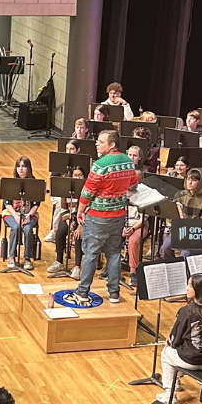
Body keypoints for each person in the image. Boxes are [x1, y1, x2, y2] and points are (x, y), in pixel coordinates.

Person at [65, 129, 139, 306]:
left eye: (101, 141)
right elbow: (133, 186)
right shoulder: (129, 162)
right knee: (113, 253)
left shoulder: (100, 165)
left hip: (98, 216)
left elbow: (87, 191)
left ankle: (82, 292)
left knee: (91, 254)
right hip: (119, 215)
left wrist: (80, 211)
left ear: (112, 144)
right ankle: (114, 293)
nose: (97, 143)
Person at [157, 274, 202, 404]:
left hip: (190, 360)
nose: (186, 288)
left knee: (166, 353)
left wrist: (169, 343)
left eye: (190, 286)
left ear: (199, 290)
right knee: (176, 353)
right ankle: (177, 379)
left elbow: (174, 340)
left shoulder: (186, 312)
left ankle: (170, 393)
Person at [1, 156, 41, 271]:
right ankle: (12, 256)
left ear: (28, 168)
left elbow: (36, 204)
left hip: (30, 213)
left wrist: (28, 216)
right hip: (12, 213)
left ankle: (27, 258)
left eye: (23, 166)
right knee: (15, 227)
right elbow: (7, 203)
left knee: (28, 229)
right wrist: (16, 216)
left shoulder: (34, 184)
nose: (21, 169)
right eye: (18, 166)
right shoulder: (11, 183)